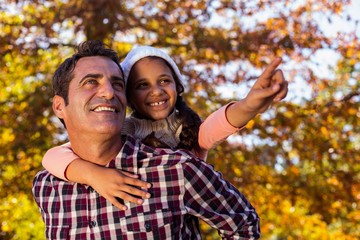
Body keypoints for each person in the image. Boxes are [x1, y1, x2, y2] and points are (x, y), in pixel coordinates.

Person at [32, 40, 261, 239]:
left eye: (117, 84)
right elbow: (52, 156)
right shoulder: (47, 186)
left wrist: (249, 105)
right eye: (91, 82)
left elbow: (243, 226)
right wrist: (90, 173)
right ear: (59, 106)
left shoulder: (178, 169)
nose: (109, 93)